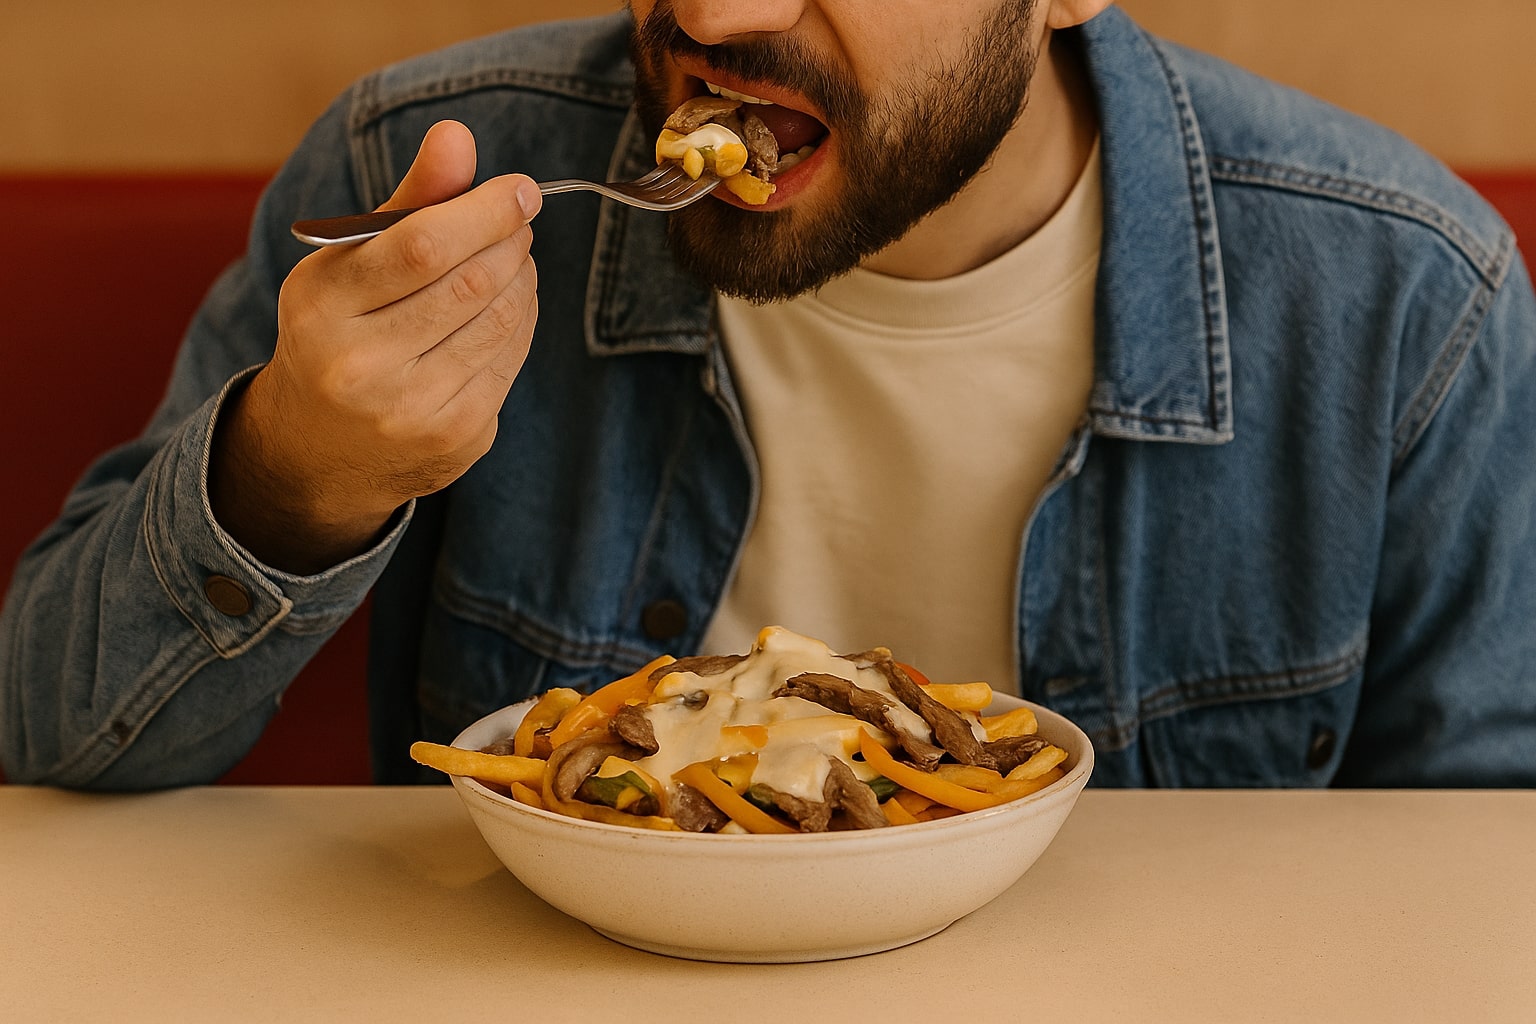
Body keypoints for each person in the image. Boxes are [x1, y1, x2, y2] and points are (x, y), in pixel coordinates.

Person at [3, 0, 1534, 791]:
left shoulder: (1399, 302)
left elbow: (1483, 871)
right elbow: (52, 744)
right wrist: (292, 475)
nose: (714, 15)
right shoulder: (410, 176)